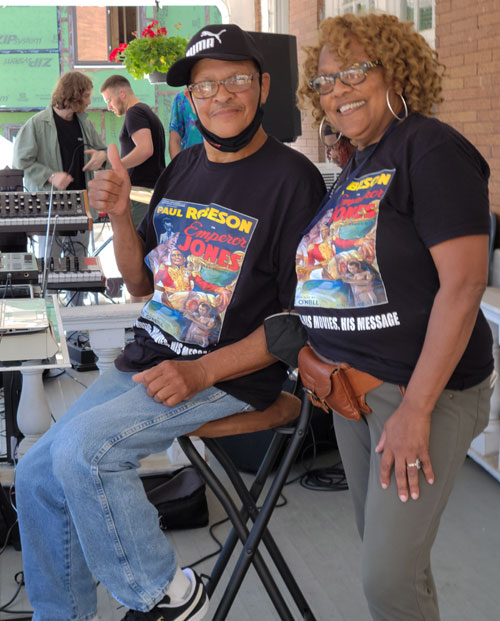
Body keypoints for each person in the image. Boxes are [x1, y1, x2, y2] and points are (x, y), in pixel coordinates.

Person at [15, 23, 325, 621]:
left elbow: (296, 323)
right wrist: (121, 216)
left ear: (262, 86)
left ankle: (168, 598)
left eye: (236, 80)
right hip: (151, 359)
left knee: (83, 449)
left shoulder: (293, 179)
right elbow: (142, 285)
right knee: (34, 472)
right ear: (190, 99)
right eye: (205, 87)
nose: (221, 96)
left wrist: (199, 374)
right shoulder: (182, 170)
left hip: (228, 376)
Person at [295, 12, 493, 621]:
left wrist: (416, 409)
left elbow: (463, 286)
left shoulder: (431, 149)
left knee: (387, 579)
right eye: (326, 81)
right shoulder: (361, 160)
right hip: (353, 391)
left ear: (396, 71)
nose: (339, 89)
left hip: (419, 393)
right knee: (393, 561)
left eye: (355, 71)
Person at [12, 71, 107, 267]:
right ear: (74, 94)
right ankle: (50, 300)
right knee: (49, 268)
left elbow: (103, 152)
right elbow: (20, 162)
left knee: (79, 270)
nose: (90, 101)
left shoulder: (85, 123)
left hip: (82, 208)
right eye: (87, 95)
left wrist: (102, 156)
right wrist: (50, 176)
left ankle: (76, 297)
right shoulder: (37, 124)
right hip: (50, 209)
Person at [100, 74, 166, 229]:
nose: (108, 107)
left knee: (134, 245)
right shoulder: (146, 111)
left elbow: (145, 149)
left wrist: (116, 166)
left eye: (109, 100)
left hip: (141, 195)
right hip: (149, 193)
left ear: (122, 94)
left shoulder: (134, 113)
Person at [168, 91, 203, 159]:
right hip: (191, 161)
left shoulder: (221, 96)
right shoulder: (181, 98)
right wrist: (178, 167)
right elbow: (175, 139)